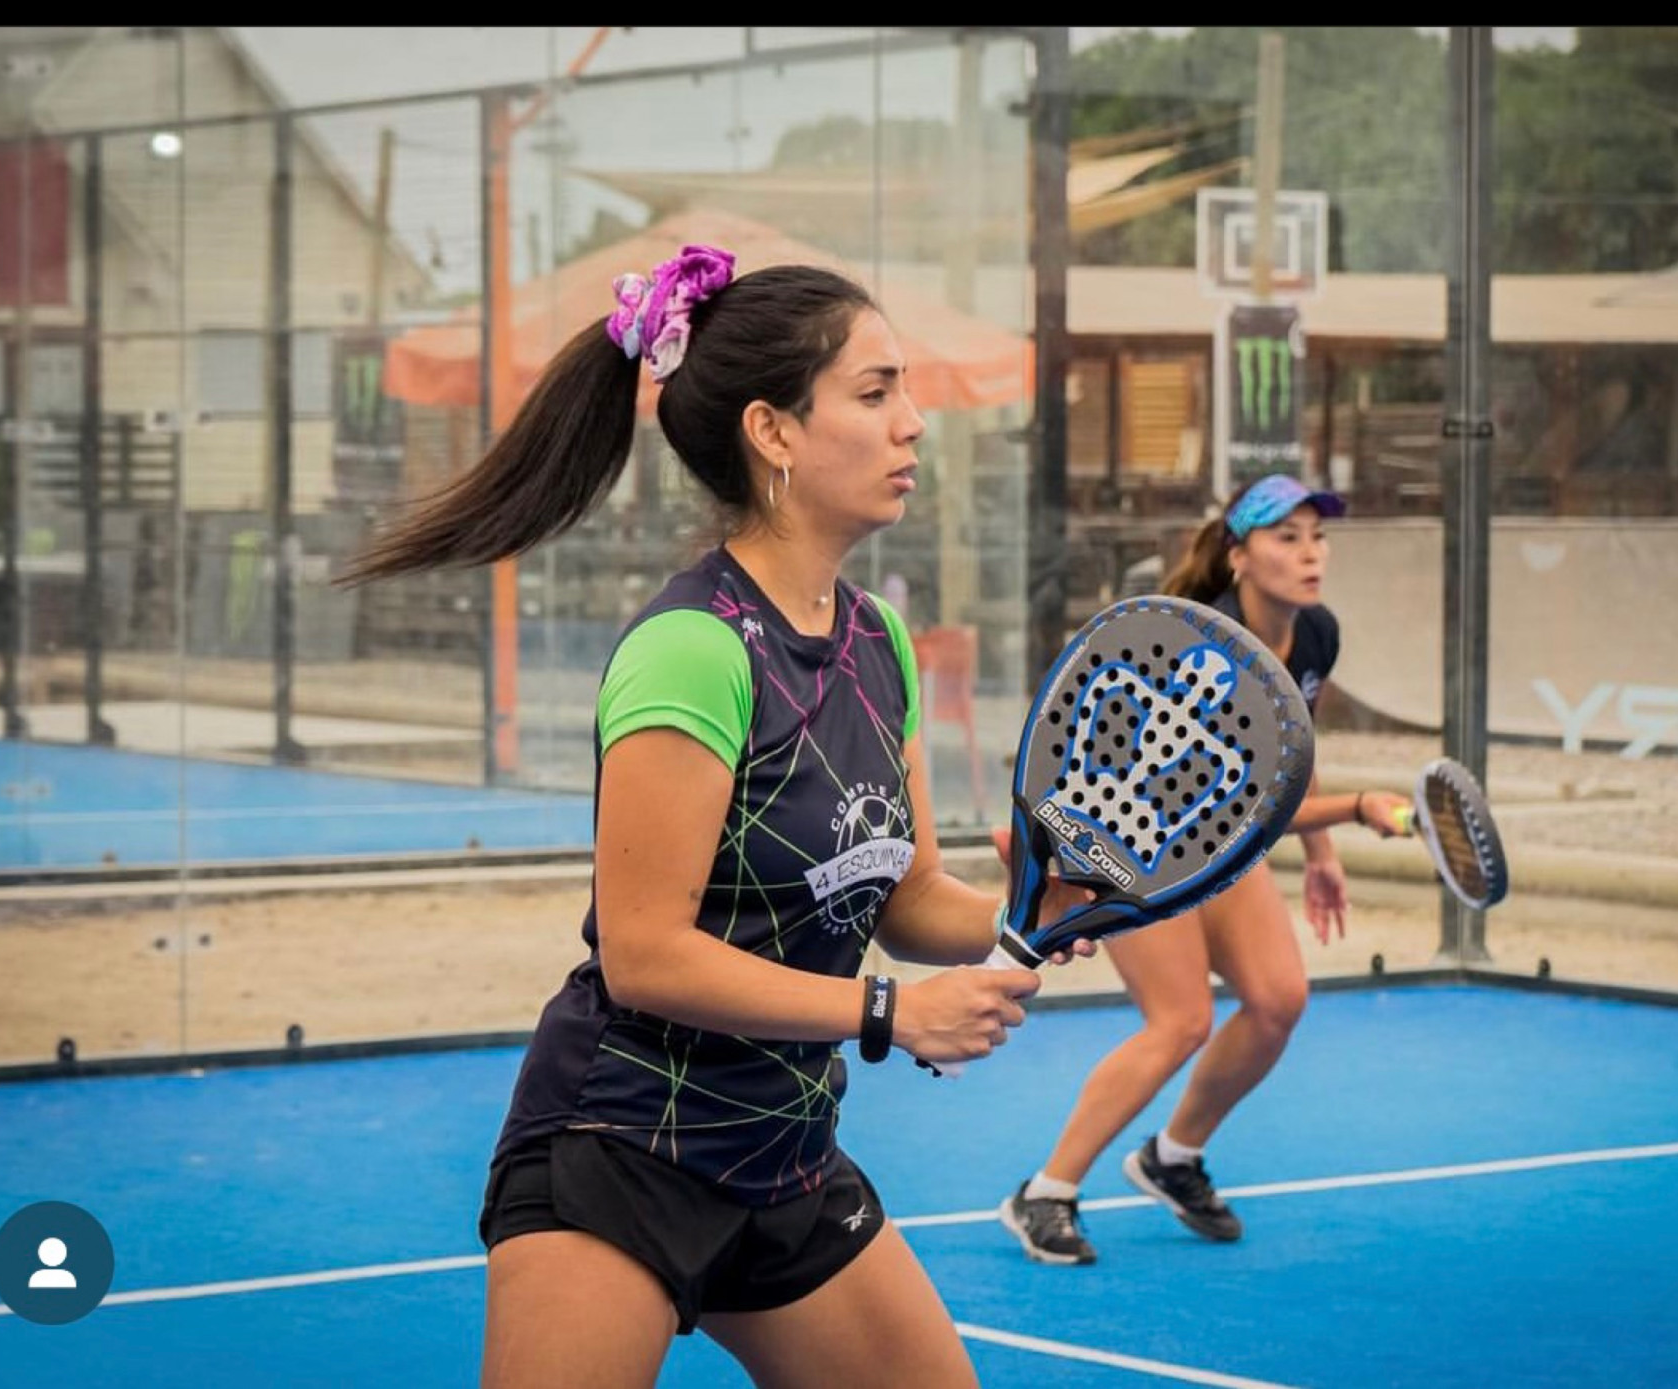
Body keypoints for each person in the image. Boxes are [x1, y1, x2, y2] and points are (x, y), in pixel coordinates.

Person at [340, 244, 1087, 1387]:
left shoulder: (876, 638)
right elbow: (643, 955)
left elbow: (906, 897)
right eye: (874, 392)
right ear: (772, 431)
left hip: (785, 1150)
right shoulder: (691, 650)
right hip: (623, 1147)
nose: (912, 424)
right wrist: (888, 1012)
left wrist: (1026, 910)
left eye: (904, 392)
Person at [997, 471, 1414, 1267]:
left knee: (1278, 999)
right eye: (1286, 537)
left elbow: (1292, 757)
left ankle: (1173, 1156)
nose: (1311, 552)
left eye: (1318, 536)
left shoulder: (1316, 634)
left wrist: (1322, 855)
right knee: (1181, 1020)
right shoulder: (1208, 648)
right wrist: (1359, 809)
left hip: (1211, 845)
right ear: (1238, 556)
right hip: (1135, 847)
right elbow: (1252, 803)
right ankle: (1045, 1191)